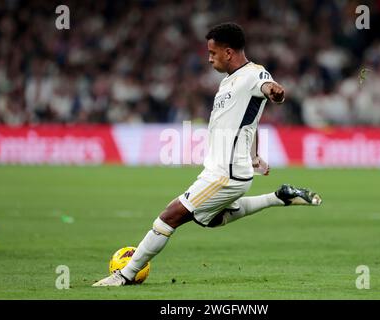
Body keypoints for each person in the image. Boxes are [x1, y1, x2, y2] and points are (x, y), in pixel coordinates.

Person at [93, 22, 322, 287]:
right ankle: (278, 197)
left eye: (213, 53)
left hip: (226, 173)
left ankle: (125, 275)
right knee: (213, 219)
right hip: (222, 169)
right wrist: (255, 156)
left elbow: (270, 87)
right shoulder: (227, 83)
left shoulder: (254, 74)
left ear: (228, 52)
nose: (209, 57)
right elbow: (250, 123)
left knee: (170, 216)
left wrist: (276, 93)